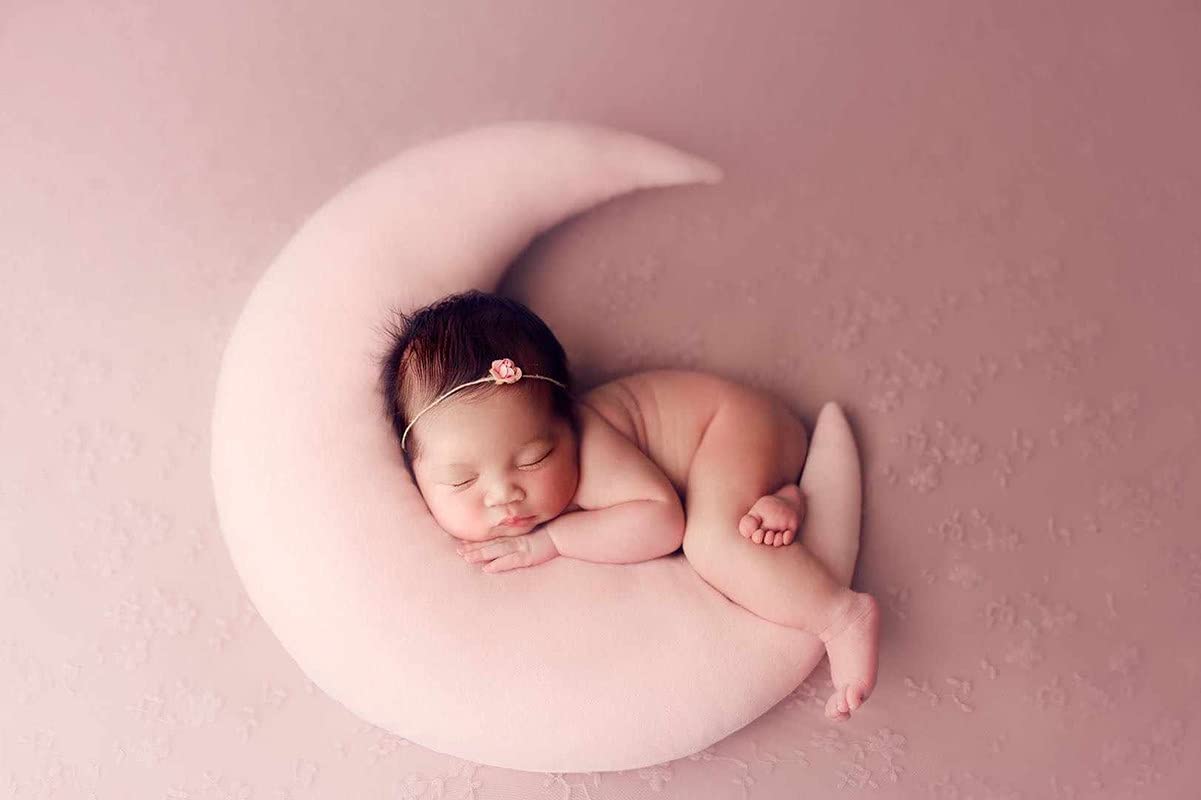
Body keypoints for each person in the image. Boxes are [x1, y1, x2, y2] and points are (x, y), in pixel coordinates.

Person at [374, 289, 879, 721]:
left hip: (730, 426)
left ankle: (840, 614)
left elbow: (662, 522)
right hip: (731, 459)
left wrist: (552, 540)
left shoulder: (589, 448)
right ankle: (780, 499)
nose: (504, 495)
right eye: (460, 480)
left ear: (565, 422)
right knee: (734, 513)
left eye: (534, 458)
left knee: (713, 540)